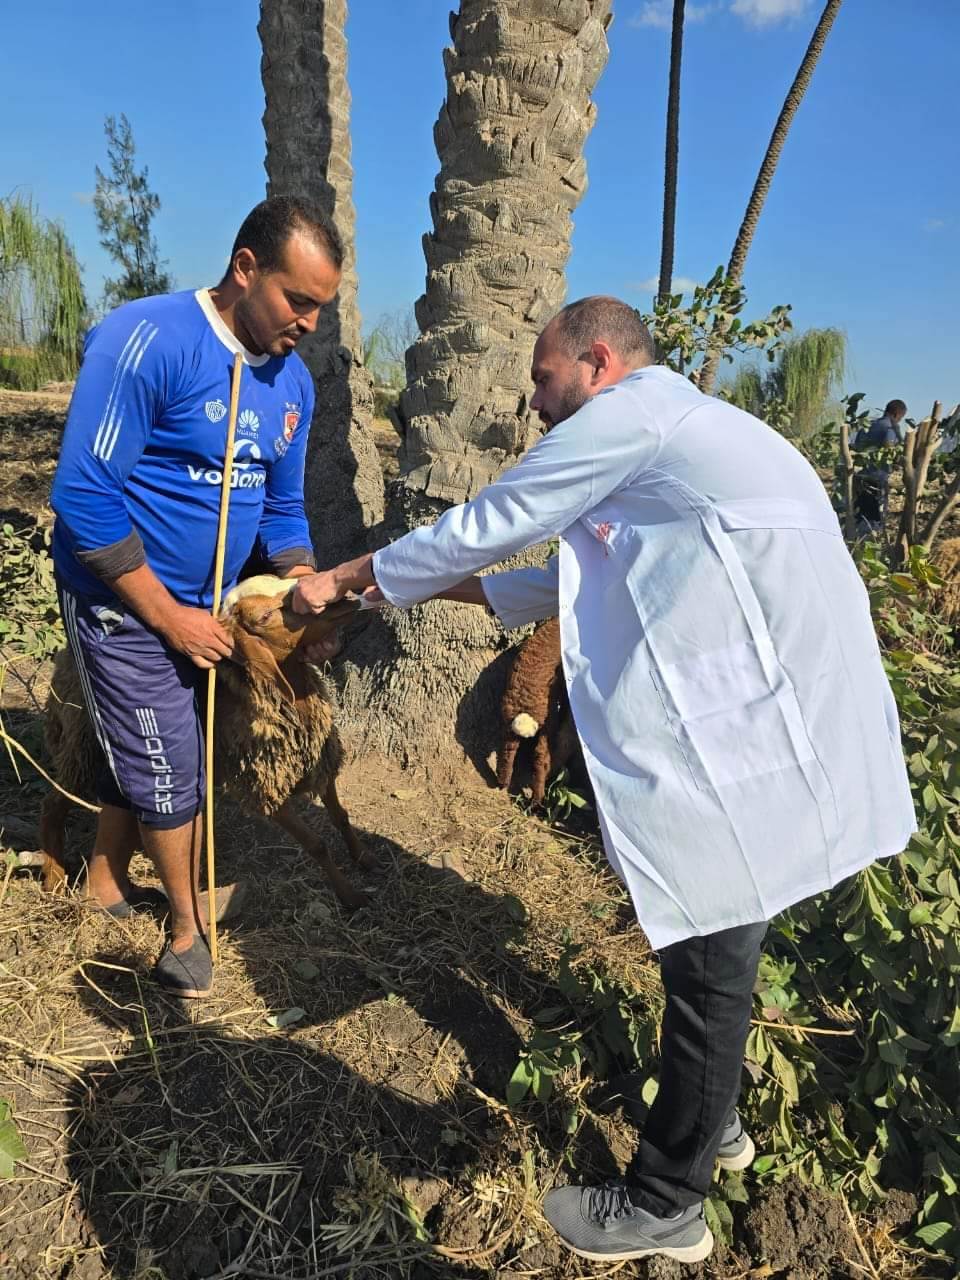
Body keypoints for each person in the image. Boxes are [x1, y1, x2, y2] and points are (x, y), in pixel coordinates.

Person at [290, 297, 917, 1264]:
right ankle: (712, 1118)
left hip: (754, 734)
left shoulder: (636, 415)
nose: (535, 404)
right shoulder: (681, 444)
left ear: (597, 362)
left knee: (711, 963)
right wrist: (407, 586)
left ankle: (668, 1200)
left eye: (543, 380)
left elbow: (496, 520)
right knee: (711, 944)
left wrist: (341, 578)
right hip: (786, 719)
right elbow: (562, 583)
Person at [49, 195, 343, 999]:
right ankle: (186, 931)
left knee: (151, 746)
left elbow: (282, 510)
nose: (310, 323)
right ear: (246, 268)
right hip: (120, 600)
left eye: (322, 307)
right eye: (299, 300)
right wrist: (168, 615)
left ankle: (105, 879)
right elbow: (83, 499)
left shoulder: (291, 385)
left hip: (211, 608)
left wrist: (301, 593)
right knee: (169, 760)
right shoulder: (145, 340)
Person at [852, 399, 908, 534]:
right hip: (877, 479)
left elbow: (857, 448)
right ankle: (871, 540)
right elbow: (890, 449)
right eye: (900, 418)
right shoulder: (890, 428)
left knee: (860, 515)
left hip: (860, 477)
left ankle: (857, 540)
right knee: (876, 518)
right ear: (896, 414)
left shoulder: (867, 426)